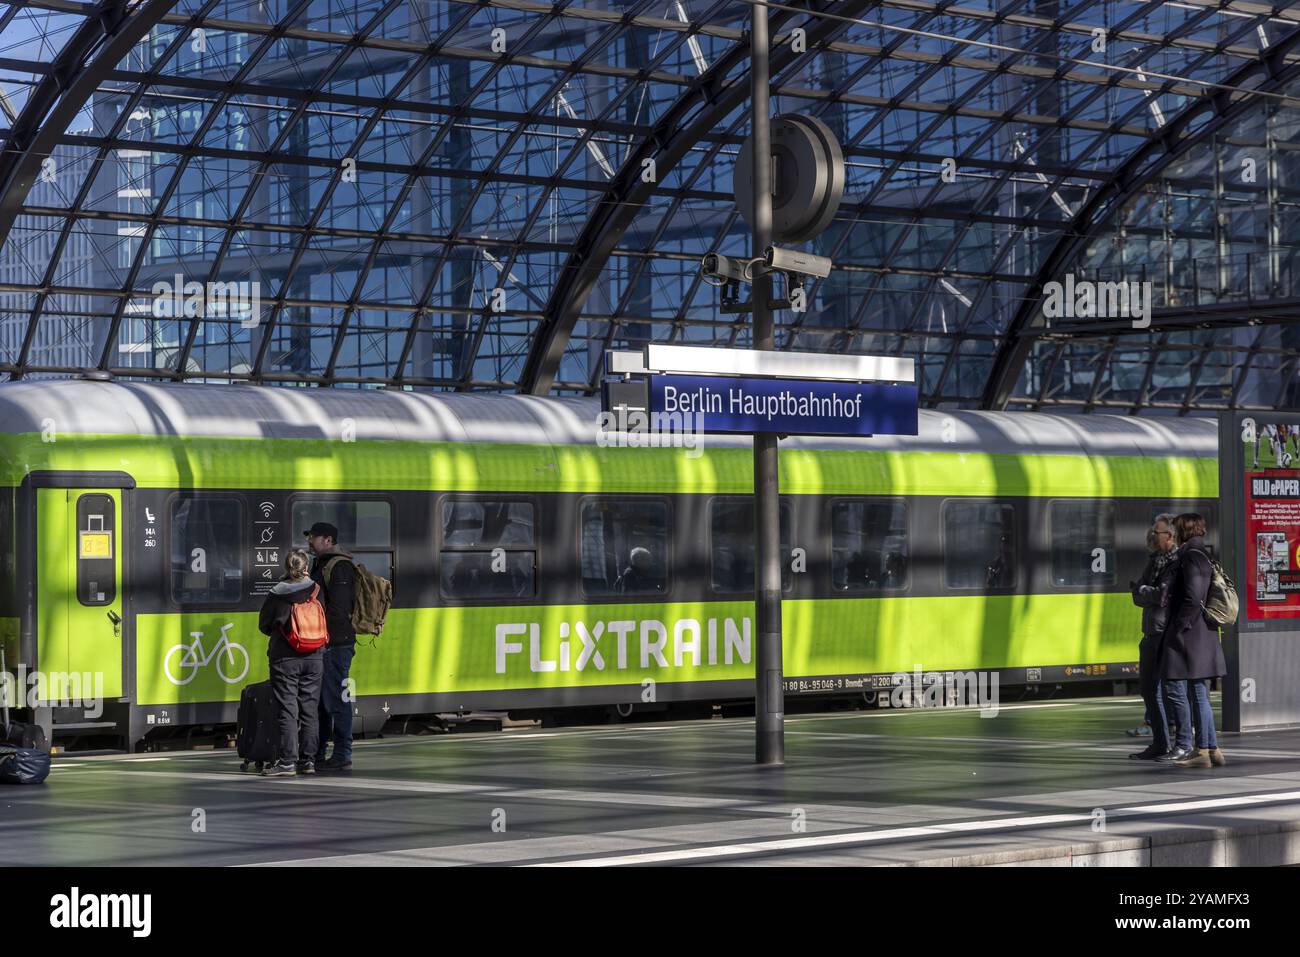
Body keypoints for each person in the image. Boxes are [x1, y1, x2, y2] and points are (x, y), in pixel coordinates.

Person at [1159, 513, 1227, 768]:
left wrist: (1180, 625)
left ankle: (1203, 751)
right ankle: (1211, 749)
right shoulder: (1201, 554)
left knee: (1196, 691)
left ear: (1183, 531)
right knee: (1200, 691)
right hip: (1202, 632)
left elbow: (1194, 596)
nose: (1174, 534)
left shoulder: (1191, 556)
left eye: (1176, 530)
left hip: (1192, 633)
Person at [257, 549, 326, 776]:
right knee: (310, 709)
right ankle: (308, 761)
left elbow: (264, 625)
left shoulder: (277, 594)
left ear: (287, 568)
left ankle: (287, 761)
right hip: (314, 656)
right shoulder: (316, 590)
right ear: (306, 567)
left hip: (285, 657)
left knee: (287, 708)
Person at [305, 521, 357, 772]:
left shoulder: (341, 566)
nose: (309, 542)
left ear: (328, 540)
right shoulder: (321, 564)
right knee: (321, 701)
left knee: (336, 699)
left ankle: (342, 752)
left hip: (336, 643)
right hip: (323, 642)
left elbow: (338, 610)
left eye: (313, 538)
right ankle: (319, 752)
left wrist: (319, 630)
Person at [1128, 517, 1178, 759]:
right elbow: (1138, 595)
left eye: (1156, 532)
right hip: (1150, 631)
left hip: (1164, 633)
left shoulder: (1176, 562)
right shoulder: (1153, 561)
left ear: (1169, 535)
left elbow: (1161, 597)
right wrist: (1148, 592)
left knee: (1170, 690)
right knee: (1148, 689)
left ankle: (1177, 742)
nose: (1151, 535)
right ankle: (1161, 742)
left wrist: (1146, 592)